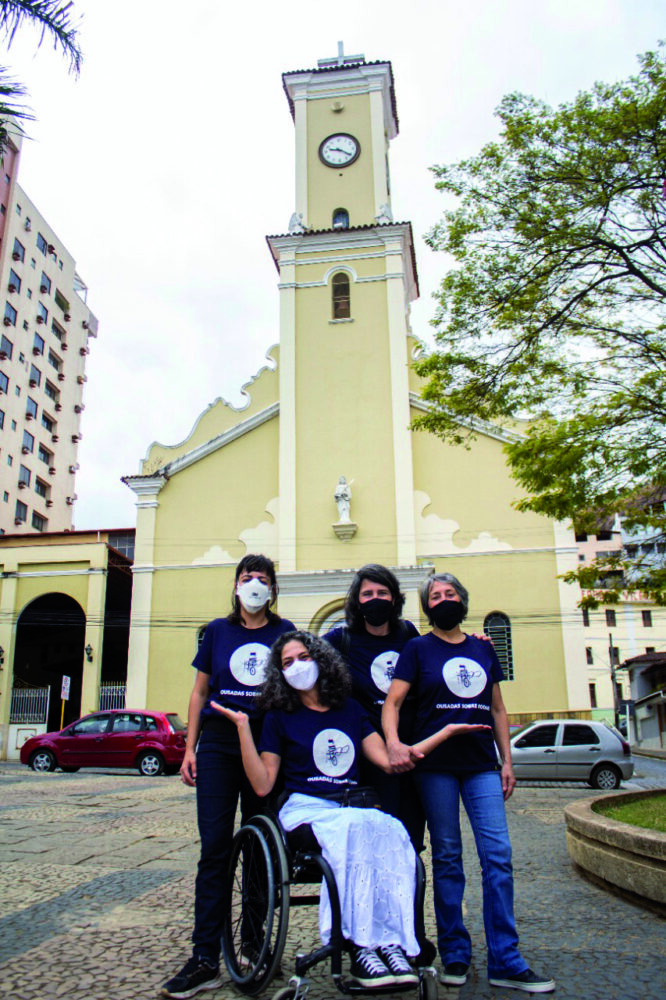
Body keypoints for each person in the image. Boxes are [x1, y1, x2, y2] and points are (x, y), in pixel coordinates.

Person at [214, 630, 485, 990]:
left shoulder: (350, 710)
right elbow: (263, 785)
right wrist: (244, 729)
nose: (297, 667)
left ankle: (391, 944)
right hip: (306, 810)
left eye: (303, 658)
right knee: (356, 828)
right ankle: (359, 948)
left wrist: (445, 733)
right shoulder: (280, 717)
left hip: (352, 808)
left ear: (321, 660)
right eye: (287, 663)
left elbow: (392, 762)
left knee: (392, 829)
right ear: (280, 674)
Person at [382, 573, 555, 994]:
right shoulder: (417, 648)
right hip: (434, 765)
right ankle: (455, 952)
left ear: (463, 599)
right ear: (426, 606)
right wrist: (394, 744)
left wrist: (506, 761)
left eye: (450, 594)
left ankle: (506, 958)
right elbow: (393, 702)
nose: (444, 600)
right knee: (448, 857)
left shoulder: (481, 647)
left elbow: (497, 708)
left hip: (481, 766)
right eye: (435, 596)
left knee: (498, 855)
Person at [161, 554, 295, 1000]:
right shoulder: (218, 632)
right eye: (246, 577)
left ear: (273, 589)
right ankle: (204, 958)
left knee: (262, 850)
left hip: (267, 746)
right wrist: (189, 748)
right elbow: (200, 691)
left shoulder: (285, 631)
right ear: (235, 586)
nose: (254, 584)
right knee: (215, 848)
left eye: (262, 578)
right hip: (219, 744)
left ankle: (256, 946)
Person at [323, 564, 425, 850]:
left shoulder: (408, 634)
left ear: (394, 598)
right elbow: (306, 657)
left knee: (410, 841)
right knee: (375, 840)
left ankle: (409, 893)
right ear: (357, 601)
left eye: (382, 592)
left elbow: (434, 659)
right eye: (367, 593)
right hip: (367, 760)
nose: (375, 598)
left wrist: (475, 642)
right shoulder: (341, 639)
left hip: (409, 754)